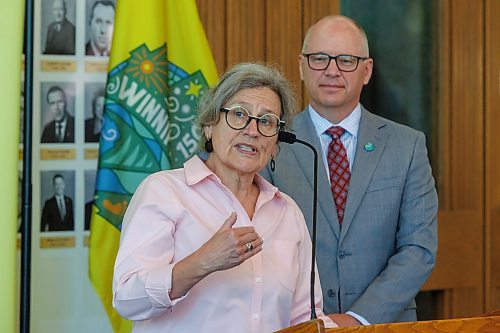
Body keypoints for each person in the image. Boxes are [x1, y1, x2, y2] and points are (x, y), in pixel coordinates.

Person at [112, 63, 335, 332]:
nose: (252, 130)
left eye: (267, 121)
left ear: (276, 144)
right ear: (209, 124)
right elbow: (126, 299)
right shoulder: (164, 192)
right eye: (239, 114)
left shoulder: (288, 213)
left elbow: (306, 318)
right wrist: (202, 261)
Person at [260, 15, 438, 326]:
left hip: (387, 324)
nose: (332, 70)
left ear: (366, 70)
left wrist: (358, 318)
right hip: (295, 324)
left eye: (346, 60)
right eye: (319, 58)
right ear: (301, 66)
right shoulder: (271, 142)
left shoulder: (407, 146)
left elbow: (418, 248)